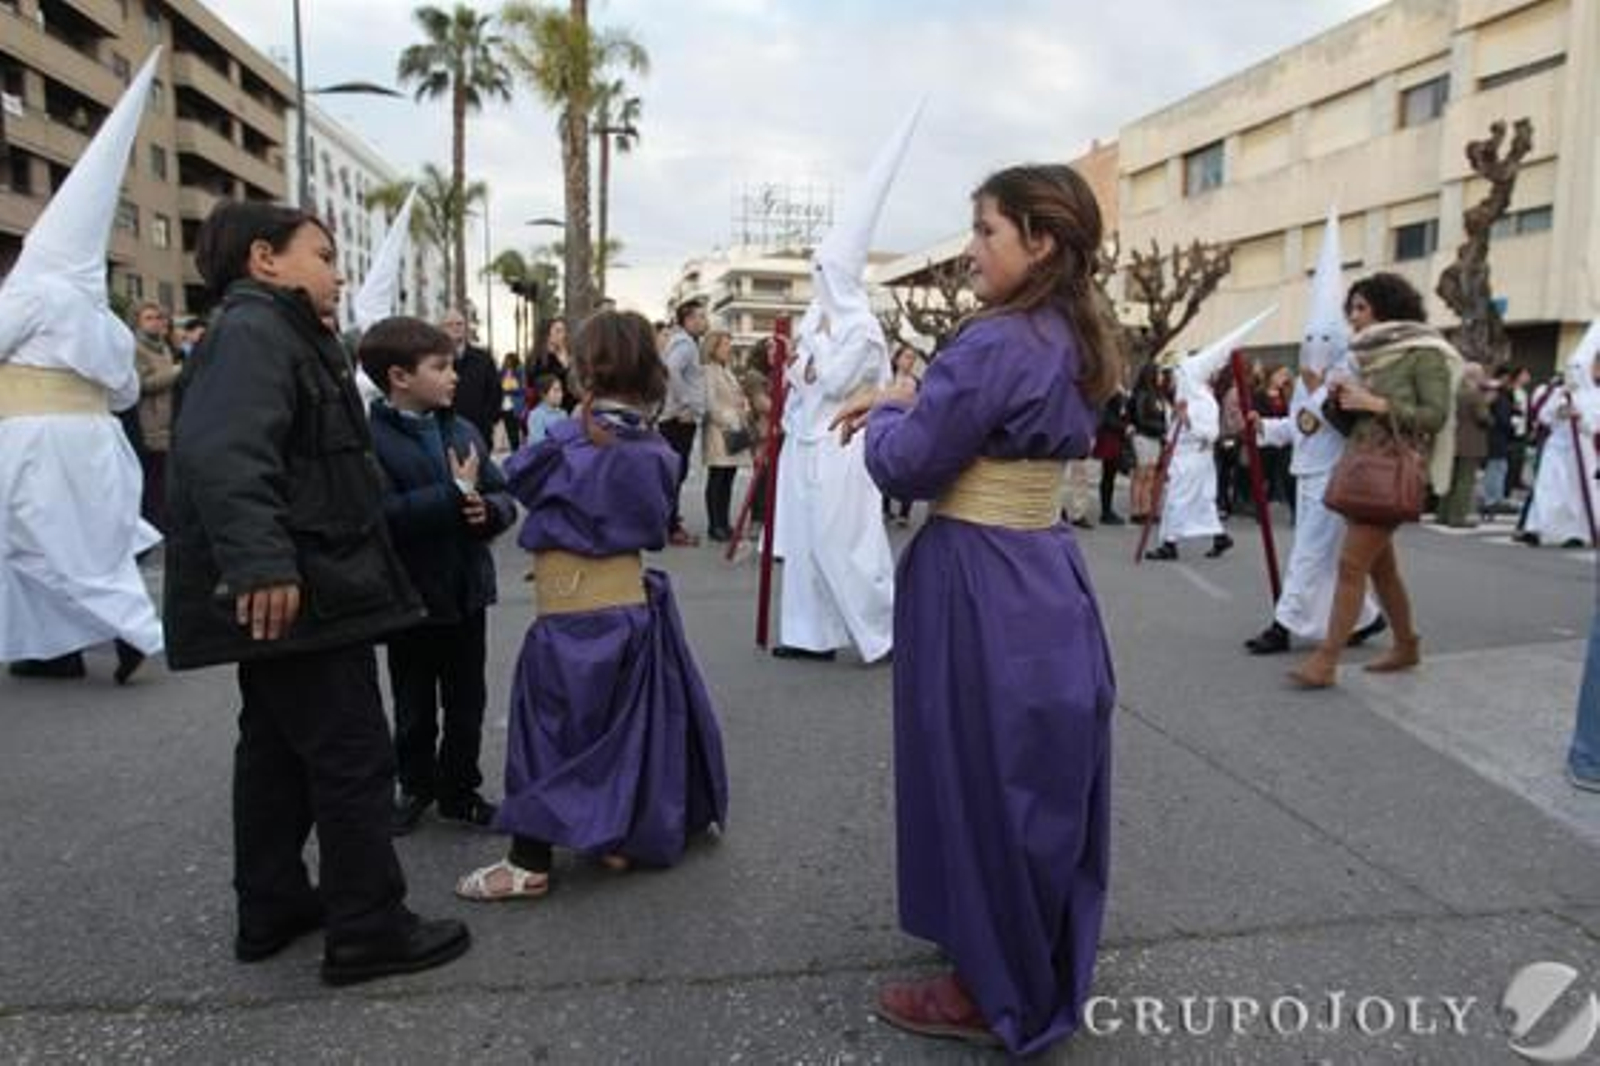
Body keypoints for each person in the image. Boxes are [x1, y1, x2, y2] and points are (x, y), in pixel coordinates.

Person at [833, 162, 1118, 1056]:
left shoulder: (997, 342)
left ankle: (987, 987)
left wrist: (888, 410)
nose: (971, 249)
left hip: (978, 578)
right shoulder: (1078, 336)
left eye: (986, 229)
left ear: (1040, 241)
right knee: (1036, 772)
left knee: (976, 772)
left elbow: (907, 464)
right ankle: (1026, 955)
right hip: (1045, 564)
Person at [165, 201, 469, 983]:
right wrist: (262, 565)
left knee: (274, 753)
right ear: (266, 260)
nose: (337, 272)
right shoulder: (256, 334)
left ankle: (272, 905)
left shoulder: (276, 333)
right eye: (323, 254)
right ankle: (368, 927)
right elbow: (226, 455)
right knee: (350, 755)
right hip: (304, 587)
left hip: (306, 581)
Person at [455, 310, 728, 901]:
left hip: (569, 616)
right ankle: (612, 833)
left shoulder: (569, 441)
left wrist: (571, 430)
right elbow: (655, 528)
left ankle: (528, 862)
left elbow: (519, 478)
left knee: (548, 731)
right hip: (626, 605)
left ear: (583, 371)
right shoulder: (656, 451)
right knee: (616, 729)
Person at [0, 51, 162, 685]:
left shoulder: (30, 294)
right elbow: (123, 394)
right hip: (95, 440)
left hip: (34, 437)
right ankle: (57, 647)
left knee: (31, 542)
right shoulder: (108, 323)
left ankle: (127, 625)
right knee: (90, 543)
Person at [361, 317, 518, 836]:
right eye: (441, 367)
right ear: (399, 377)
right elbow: (381, 515)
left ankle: (459, 789)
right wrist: (452, 495)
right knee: (413, 703)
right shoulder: (371, 439)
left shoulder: (461, 428)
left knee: (467, 699)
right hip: (410, 596)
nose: (454, 376)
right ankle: (416, 784)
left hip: (466, 590)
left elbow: (499, 492)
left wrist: (489, 512)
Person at [771, 106, 909, 664]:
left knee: (845, 542)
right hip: (806, 440)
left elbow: (834, 379)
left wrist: (814, 354)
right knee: (805, 545)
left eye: (825, 271)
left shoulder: (861, 328)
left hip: (844, 444)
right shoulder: (819, 320)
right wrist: (803, 362)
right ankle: (810, 634)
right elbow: (799, 377)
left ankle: (885, 631)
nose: (818, 281)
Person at [1288, 272, 1461, 689]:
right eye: (1352, 308)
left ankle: (1326, 660)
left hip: (1392, 470)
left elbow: (1434, 416)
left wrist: (1376, 402)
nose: (1354, 318)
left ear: (1386, 308)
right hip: (1364, 467)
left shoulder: (1425, 352)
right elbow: (1352, 422)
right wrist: (1337, 400)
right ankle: (1406, 643)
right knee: (1382, 569)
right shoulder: (1364, 355)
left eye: (1361, 308)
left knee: (1351, 565)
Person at [1244, 209, 1381, 656]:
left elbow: (1342, 421)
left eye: (1324, 340)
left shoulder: (1347, 375)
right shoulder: (1306, 378)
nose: (1314, 349)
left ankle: (1283, 626)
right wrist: (1262, 426)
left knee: (1308, 553)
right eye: (1310, 340)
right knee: (1323, 559)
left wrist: (1324, 390)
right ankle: (1368, 616)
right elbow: (1298, 427)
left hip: (1334, 475)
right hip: (1306, 472)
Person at [1142, 311, 1274, 562]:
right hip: (1184, 458)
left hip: (1193, 459)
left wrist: (1187, 421)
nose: (1171, 378)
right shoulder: (1184, 398)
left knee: (1177, 501)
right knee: (1201, 502)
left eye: (1174, 373)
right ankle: (1219, 537)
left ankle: (1169, 544)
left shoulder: (1204, 401)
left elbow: (1210, 433)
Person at [1517, 322, 1600, 548]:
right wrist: (1559, 411)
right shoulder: (1561, 391)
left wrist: (1579, 417)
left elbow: (1594, 426)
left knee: (1574, 494)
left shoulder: (1596, 396)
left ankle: (1576, 533)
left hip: (1582, 452)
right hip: (1556, 447)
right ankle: (1536, 528)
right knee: (1546, 487)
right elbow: (1544, 417)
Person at [659, 300, 709, 545]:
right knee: (675, 474)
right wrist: (686, 403)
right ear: (687, 320)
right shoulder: (685, 344)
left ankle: (669, 523)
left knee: (673, 474)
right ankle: (670, 529)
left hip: (675, 418)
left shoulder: (683, 342)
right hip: (679, 419)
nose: (704, 321)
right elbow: (670, 369)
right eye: (699, 317)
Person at [131, 301, 180, 531]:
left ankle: (163, 523)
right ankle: (152, 527)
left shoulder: (164, 346)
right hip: (148, 421)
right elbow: (141, 384)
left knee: (165, 479)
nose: (156, 322)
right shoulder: (135, 348)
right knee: (153, 480)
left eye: (159, 317)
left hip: (169, 418)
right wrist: (175, 372)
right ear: (137, 321)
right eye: (149, 317)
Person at [700, 329, 752, 542]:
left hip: (734, 428)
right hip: (719, 431)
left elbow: (735, 396)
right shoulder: (708, 370)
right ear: (714, 347)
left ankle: (724, 522)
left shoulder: (726, 370)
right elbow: (710, 404)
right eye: (725, 345)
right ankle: (715, 525)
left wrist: (742, 407)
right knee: (717, 478)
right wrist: (729, 418)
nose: (729, 349)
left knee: (728, 478)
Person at [438, 308, 502, 448]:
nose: (455, 328)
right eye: (450, 324)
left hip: (479, 433)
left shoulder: (483, 358)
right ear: (442, 329)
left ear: (466, 327)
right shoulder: (435, 360)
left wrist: (488, 421)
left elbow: (495, 393)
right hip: (444, 434)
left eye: (459, 324)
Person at [1440, 361, 1492, 527]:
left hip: (1453, 438)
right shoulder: (1475, 394)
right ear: (1475, 376)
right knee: (1465, 480)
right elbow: (1483, 418)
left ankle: (1443, 513)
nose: (1483, 377)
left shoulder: (1454, 392)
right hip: (1471, 442)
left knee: (1451, 479)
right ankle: (1458, 516)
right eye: (1482, 374)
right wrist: (1488, 408)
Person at [880, 344, 922, 526]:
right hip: (886, 429)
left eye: (913, 358)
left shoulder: (917, 383)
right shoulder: (885, 380)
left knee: (907, 472)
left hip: (908, 431)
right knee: (884, 469)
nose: (910, 361)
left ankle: (904, 513)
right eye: (906, 356)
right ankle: (885, 509)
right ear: (897, 358)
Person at [1128, 362, 1167, 522]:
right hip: (1143, 436)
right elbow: (1140, 418)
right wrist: (1160, 427)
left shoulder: (1158, 396)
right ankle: (1136, 510)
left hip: (1155, 438)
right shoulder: (1141, 395)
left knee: (1151, 474)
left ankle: (1147, 508)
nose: (1162, 377)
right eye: (1159, 374)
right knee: (1140, 474)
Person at [530, 318, 578, 414]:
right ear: (547, 334)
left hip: (571, 410)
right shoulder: (538, 358)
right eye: (558, 331)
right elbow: (538, 385)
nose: (562, 335)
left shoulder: (570, 355)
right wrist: (564, 366)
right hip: (548, 413)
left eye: (564, 331)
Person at [524, 371, 570, 444]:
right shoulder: (536, 415)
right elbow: (538, 444)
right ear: (543, 394)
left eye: (561, 390)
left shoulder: (563, 413)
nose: (560, 394)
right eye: (555, 391)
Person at [498, 351, 526, 451]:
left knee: (517, 431)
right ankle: (515, 453)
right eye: (506, 360)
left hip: (516, 405)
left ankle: (518, 453)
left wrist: (509, 389)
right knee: (510, 432)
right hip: (504, 406)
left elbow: (523, 388)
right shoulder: (502, 372)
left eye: (509, 360)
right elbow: (498, 387)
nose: (507, 362)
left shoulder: (519, 370)